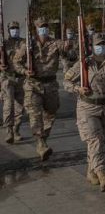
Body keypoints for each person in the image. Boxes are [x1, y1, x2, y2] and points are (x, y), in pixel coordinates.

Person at [63, 34, 105, 191]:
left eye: (103, 44)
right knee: (95, 140)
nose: (101, 47)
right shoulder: (84, 63)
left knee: (100, 142)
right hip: (87, 108)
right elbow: (66, 81)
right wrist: (77, 89)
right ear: (92, 47)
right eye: (98, 44)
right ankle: (102, 172)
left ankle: (91, 170)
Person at [12, 16, 68, 160]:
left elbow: (70, 55)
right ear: (36, 28)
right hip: (33, 85)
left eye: (45, 26)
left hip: (50, 85)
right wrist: (25, 71)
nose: (43, 29)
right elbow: (16, 63)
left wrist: (69, 48)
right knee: (35, 115)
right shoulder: (28, 45)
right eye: (40, 26)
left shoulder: (56, 43)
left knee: (51, 112)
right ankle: (40, 143)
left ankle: (44, 136)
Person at [1, 21, 25, 144]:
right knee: (8, 105)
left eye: (16, 27)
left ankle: (16, 129)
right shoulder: (3, 44)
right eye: (12, 28)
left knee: (20, 107)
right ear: (8, 29)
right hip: (7, 78)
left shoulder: (24, 42)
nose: (14, 30)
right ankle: (9, 130)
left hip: (21, 78)